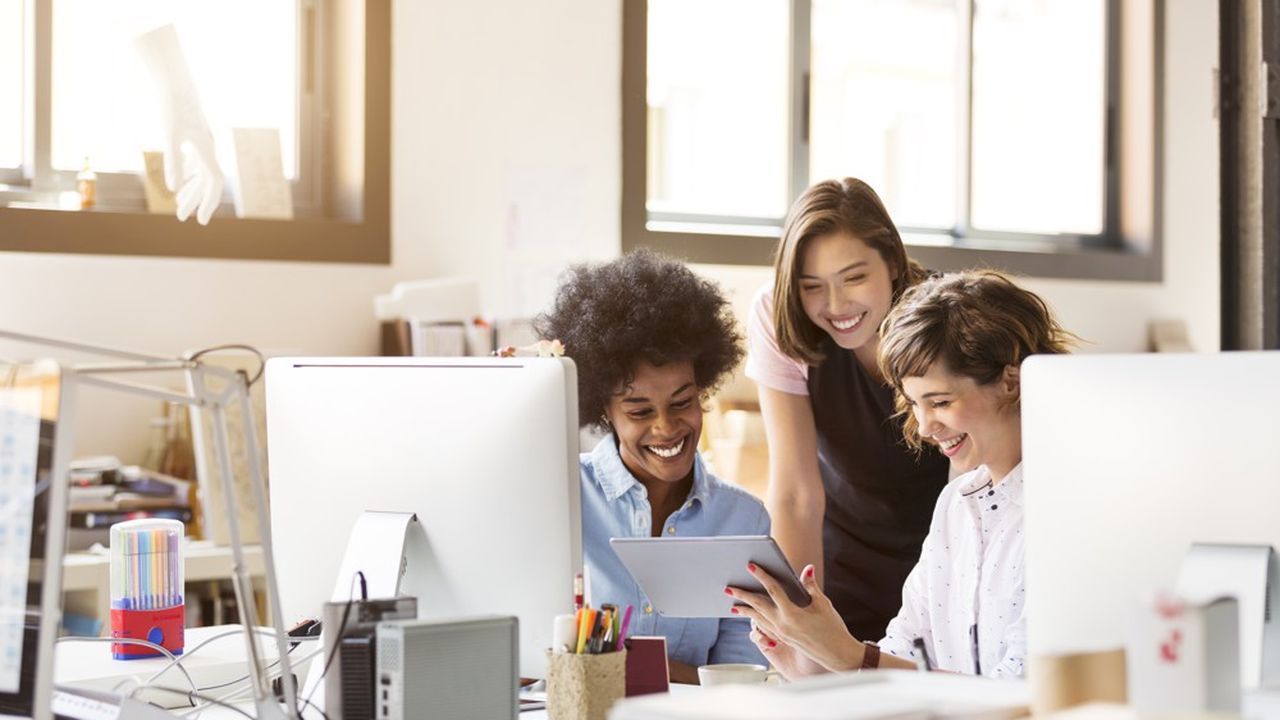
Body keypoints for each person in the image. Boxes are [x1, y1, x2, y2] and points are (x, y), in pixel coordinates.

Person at [729, 270, 1075, 678]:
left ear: (1011, 381)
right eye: (914, 404)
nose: (926, 427)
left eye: (941, 401)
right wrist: (816, 665)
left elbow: (1022, 694)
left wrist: (851, 656)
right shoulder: (957, 504)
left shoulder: (1067, 509)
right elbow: (905, 648)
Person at [536, 249, 771, 683]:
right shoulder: (560, 496)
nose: (666, 427)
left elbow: (742, 677)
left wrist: (622, 667)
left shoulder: (743, 519)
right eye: (640, 411)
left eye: (682, 402)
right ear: (604, 411)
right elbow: (533, 657)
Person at [745, 178, 949, 641]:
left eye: (854, 278)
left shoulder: (945, 318)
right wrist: (798, 624)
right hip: (844, 558)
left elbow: (971, 490)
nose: (836, 306)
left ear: (894, 263)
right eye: (811, 286)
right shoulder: (777, 318)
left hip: (946, 552)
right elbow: (796, 493)